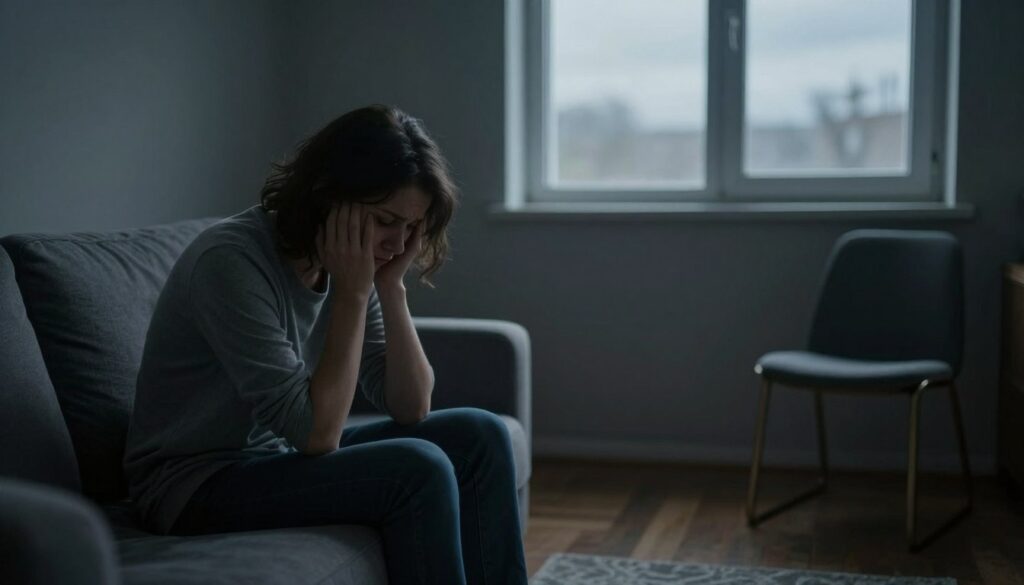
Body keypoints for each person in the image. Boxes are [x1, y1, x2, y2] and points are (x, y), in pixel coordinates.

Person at [123, 104, 528, 584]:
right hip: (192, 484)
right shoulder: (229, 262)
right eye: (385, 220)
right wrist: (356, 291)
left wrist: (390, 289)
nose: (398, 244)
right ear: (328, 194)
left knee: (479, 434)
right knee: (416, 467)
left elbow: (411, 404)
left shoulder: (348, 263)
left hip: (274, 458)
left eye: (411, 228)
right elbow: (318, 434)